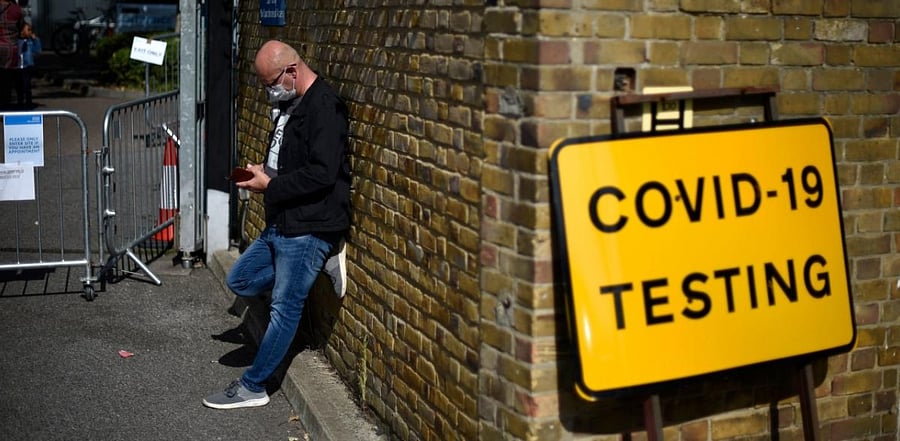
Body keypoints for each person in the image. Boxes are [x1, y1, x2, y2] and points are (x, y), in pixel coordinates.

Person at [203, 40, 351, 409]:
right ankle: (310, 271)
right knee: (240, 279)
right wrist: (263, 172)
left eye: (271, 82)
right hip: (283, 222)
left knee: (285, 308)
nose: (269, 90)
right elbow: (287, 160)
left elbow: (322, 174)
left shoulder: (325, 107)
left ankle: (254, 386)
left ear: (292, 71)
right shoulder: (291, 103)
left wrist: (271, 185)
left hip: (309, 226)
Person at [0, 0, 23, 109]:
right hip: (10, 50)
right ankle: (4, 109)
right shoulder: (16, 9)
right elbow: (21, 28)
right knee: (6, 82)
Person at [15, 17, 39, 108]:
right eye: (28, 30)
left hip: (27, 66)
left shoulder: (30, 42)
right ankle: (20, 101)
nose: (30, 32)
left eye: (30, 30)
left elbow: (37, 50)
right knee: (18, 85)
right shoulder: (18, 41)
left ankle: (28, 102)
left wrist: (36, 40)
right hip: (17, 67)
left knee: (27, 85)